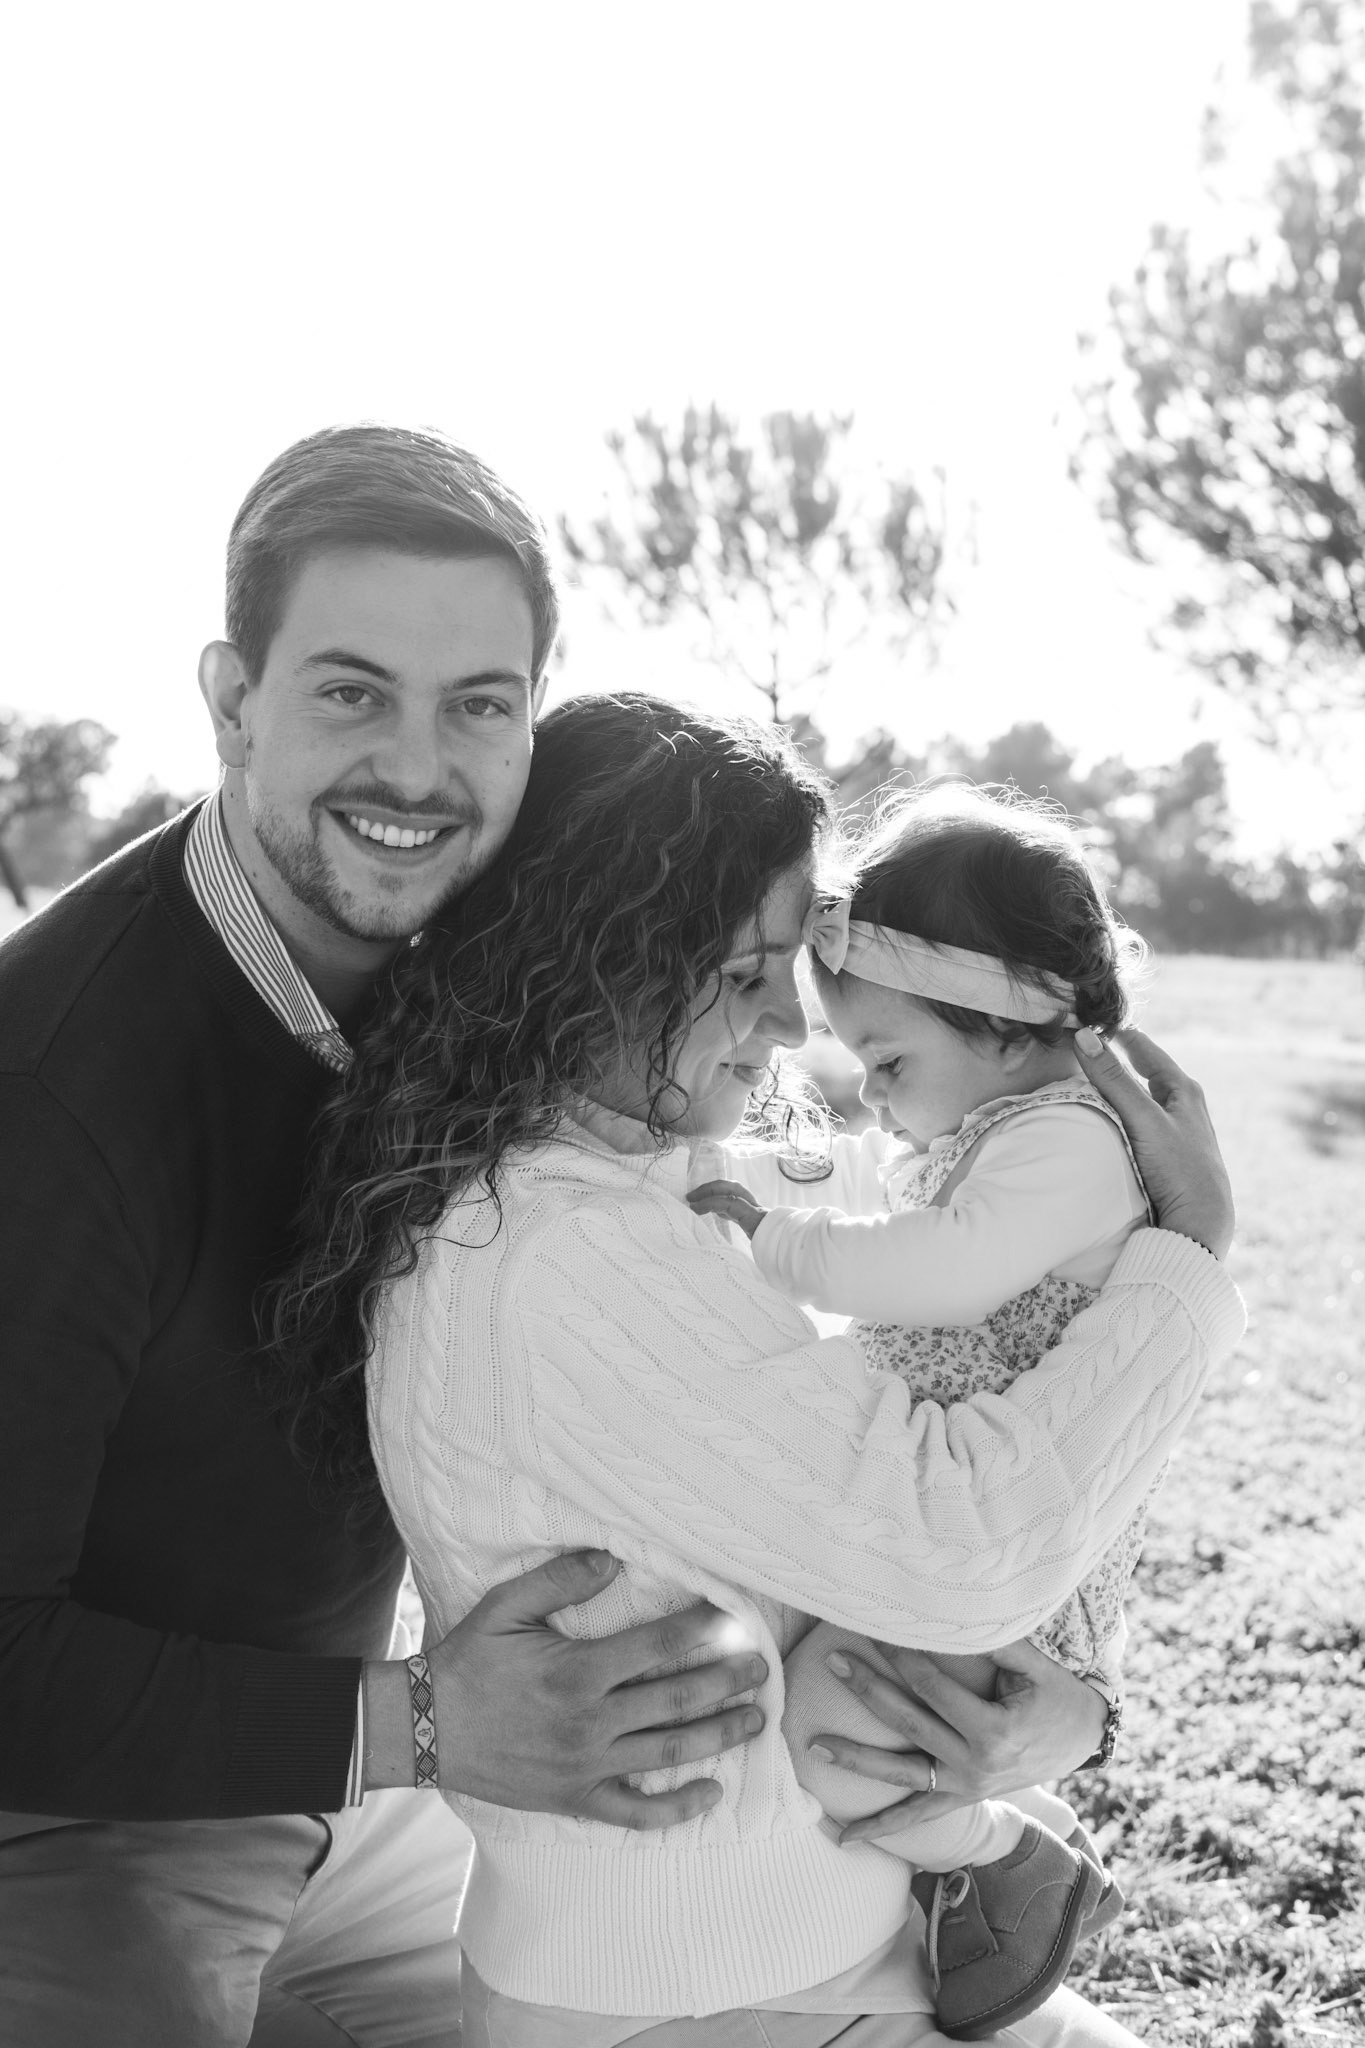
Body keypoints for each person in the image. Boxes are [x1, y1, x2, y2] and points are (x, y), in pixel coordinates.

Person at [271, 692, 1245, 2047]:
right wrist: (1187, 1257)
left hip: (775, 1954)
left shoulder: (587, 1181)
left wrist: (1064, 1713)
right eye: (746, 974)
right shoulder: (567, 1252)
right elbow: (959, 1547)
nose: (792, 1024)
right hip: (715, 1992)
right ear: (596, 964)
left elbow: (853, 1529)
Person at [0, 428, 782, 2048]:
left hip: (346, 1781)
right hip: (65, 1812)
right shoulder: (52, 1090)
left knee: (722, 1993)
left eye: (478, 705)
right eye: (352, 692)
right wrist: (419, 1722)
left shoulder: (483, 959)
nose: (417, 772)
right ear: (233, 700)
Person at [687, 785, 1169, 2037]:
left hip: (1010, 1547)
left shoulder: (1069, 1146)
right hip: (948, 1520)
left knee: (831, 1726)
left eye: (891, 1063)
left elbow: (945, 1267)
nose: (880, 1097)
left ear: (1005, 1023)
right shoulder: (988, 1128)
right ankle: (979, 1840)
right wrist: (718, 1170)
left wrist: (773, 1243)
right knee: (821, 1690)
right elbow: (857, 1171)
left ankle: (1004, 1856)